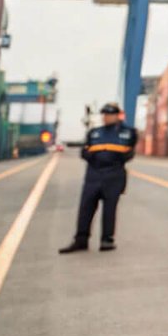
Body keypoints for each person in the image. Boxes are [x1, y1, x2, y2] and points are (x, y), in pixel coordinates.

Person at [58, 102, 136, 254]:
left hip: (114, 175)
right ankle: (81, 240)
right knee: (86, 208)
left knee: (109, 209)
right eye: (104, 114)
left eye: (110, 114)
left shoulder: (128, 132)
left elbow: (128, 153)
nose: (106, 117)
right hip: (94, 174)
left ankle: (107, 240)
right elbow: (85, 152)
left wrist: (112, 159)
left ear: (117, 115)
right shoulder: (94, 133)